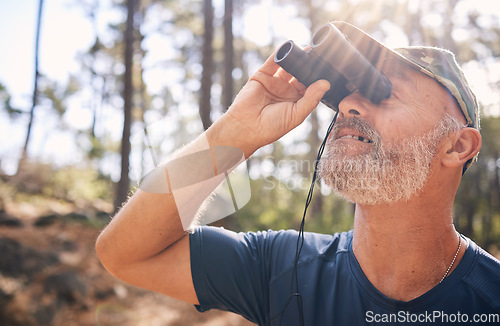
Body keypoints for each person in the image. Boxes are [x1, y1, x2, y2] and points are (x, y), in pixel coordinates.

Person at [96, 21, 500, 325]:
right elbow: (124, 254)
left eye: (383, 93)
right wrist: (234, 134)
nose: (347, 107)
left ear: (457, 146)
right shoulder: (281, 267)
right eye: (346, 95)